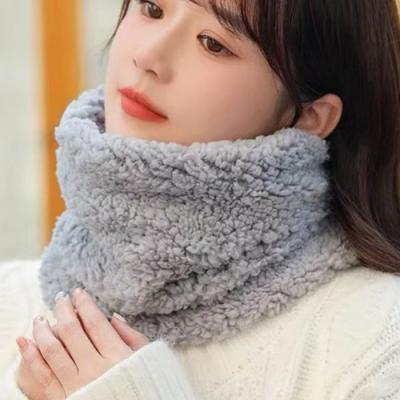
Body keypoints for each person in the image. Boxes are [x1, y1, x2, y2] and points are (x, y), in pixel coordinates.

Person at [1, 0, 400, 398]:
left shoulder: (376, 341)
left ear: (309, 116)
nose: (149, 56)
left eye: (212, 43)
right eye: (151, 9)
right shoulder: (10, 300)